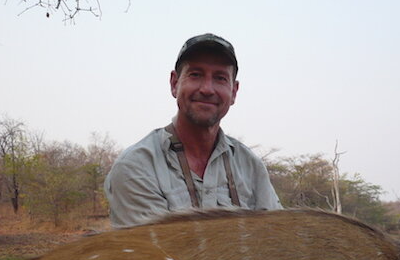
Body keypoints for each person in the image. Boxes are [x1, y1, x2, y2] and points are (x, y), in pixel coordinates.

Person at [105, 33, 282, 228]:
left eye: (220, 78)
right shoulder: (136, 166)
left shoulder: (250, 166)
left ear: (233, 92)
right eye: (195, 75)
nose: (207, 89)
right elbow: (155, 254)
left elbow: (276, 237)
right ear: (174, 83)